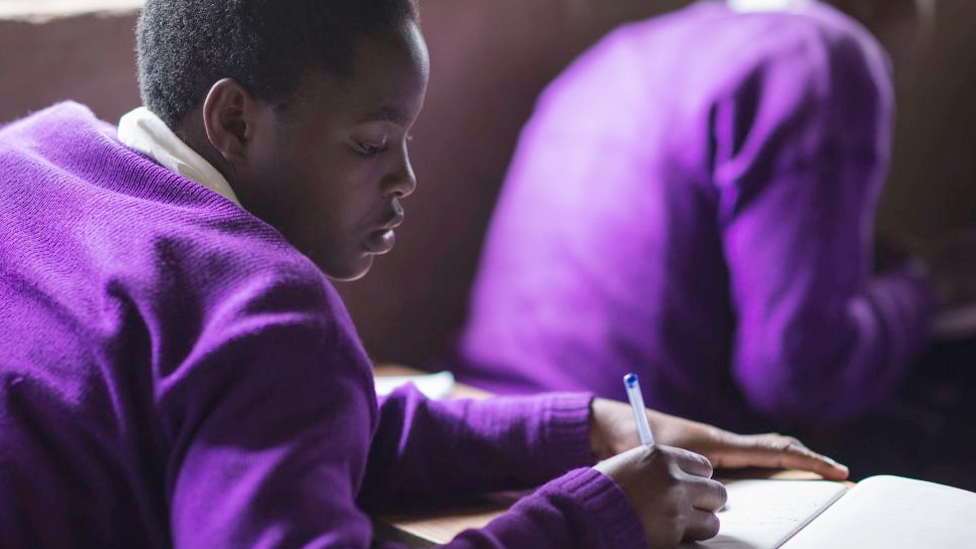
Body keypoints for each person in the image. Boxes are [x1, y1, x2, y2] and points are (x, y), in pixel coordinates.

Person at [0, 1, 850, 548]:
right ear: (234, 119)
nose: (405, 178)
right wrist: (594, 520)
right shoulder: (260, 306)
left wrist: (588, 431)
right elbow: (270, 385)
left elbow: (278, 418)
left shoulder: (33, 153)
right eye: (372, 144)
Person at [456, 0, 975, 432]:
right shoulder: (826, 54)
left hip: (495, 429)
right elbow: (798, 380)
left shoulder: (625, 49)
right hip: (634, 458)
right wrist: (927, 289)